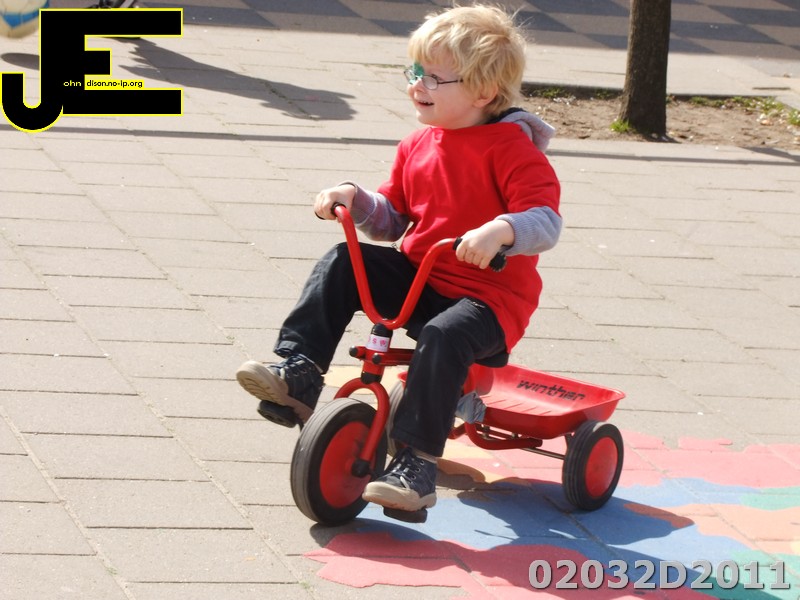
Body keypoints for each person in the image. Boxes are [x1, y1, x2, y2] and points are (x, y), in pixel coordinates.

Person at [236, 3, 562, 515]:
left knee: (445, 335)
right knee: (344, 261)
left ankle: (417, 464)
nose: (417, 86)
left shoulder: (513, 150)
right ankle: (301, 370)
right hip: (422, 279)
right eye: (415, 72)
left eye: (434, 78)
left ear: (482, 92)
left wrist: (501, 231)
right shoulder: (417, 144)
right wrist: (355, 198)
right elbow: (392, 219)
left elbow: (545, 220)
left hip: (488, 300)